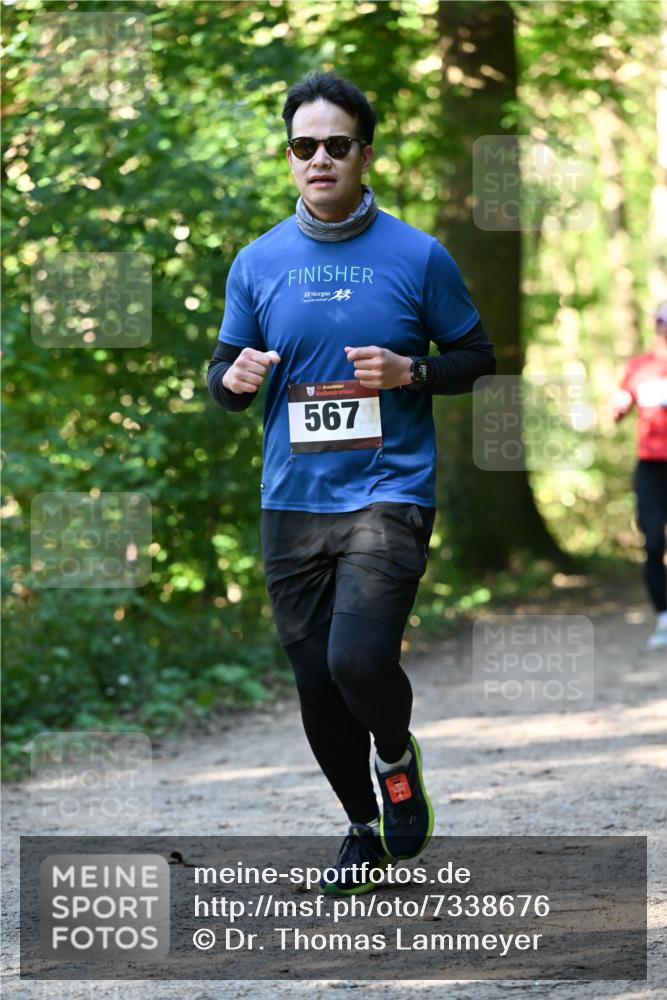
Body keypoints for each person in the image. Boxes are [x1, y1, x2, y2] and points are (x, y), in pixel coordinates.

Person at [207, 71, 496, 895]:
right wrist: (233, 380)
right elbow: (223, 376)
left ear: (364, 154)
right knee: (314, 680)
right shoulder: (258, 262)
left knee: (358, 661)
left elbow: (477, 359)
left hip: (388, 491)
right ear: (289, 157)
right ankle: (361, 831)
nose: (320, 159)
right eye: (304, 146)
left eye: (337, 144)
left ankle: (395, 759)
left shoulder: (417, 256)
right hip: (291, 501)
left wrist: (412, 372)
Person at [611, 300, 667, 651]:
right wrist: (616, 406)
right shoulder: (639, 367)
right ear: (656, 325)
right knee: (653, 542)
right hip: (650, 467)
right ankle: (663, 616)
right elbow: (619, 407)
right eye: (664, 323)